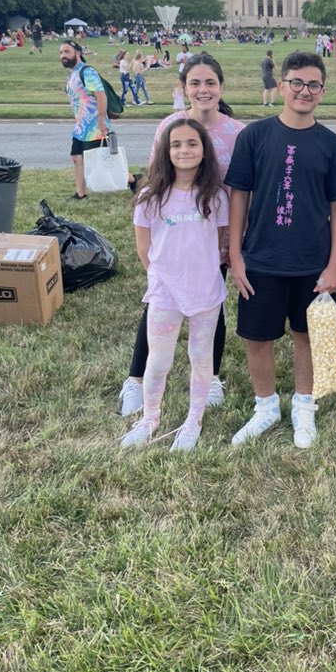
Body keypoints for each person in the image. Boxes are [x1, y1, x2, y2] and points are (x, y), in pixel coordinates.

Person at [227, 51, 336, 450]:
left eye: (313, 84)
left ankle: (304, 405)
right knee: (257, 337)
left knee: (307, 335)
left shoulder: (331, 145)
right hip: (261, 258)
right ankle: (265, 406)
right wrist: (236, 254)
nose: (304, 91)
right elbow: (239, 197)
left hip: (312, 263)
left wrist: (334, 265)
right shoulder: (255, 136)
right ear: (281, 86)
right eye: (296, 82)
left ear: (323, 91)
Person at [118, 54, 245, 417]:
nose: (203, 90)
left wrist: (231, 242)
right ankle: (136, 380)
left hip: (212, 233)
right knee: (158, 305)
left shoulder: (236, 132)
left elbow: (241, 190)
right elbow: (158, 174)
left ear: (221, 87)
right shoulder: (170, 124)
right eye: (195, 83)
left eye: (210, 83)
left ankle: (213, 376)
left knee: (212, 306)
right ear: (184, 88)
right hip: (174, 234)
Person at [121, 120, 229, 451]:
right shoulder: (150, 197)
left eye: (192, 144)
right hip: (165, 292)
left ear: (204, 150)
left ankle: (193, 420)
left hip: (206, 292)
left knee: (201, 357)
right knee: (159, 359)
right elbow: (145, 248)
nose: (184, 150)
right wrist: (163, 277)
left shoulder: (216, 196)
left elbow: (222, 241)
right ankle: (150, 418)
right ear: (166, 152)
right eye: (177, 144)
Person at [60, 40, 110, 200]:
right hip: (81, 127)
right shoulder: (72, 74)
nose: (63, 56)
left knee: (99, 164)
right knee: (76, 157)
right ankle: (80, 194)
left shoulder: (87, 72)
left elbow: (101, 96)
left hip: (94, 126)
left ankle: (134, 180)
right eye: (61, 53)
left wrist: (102, 120)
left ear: (78, 52)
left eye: (67, 52)